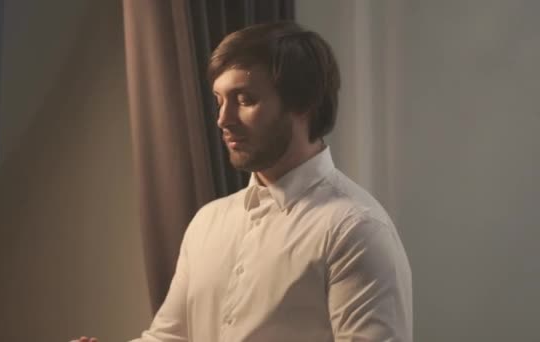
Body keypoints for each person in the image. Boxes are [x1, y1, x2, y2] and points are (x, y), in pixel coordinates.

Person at [74, 21, 412, 342]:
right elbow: (171, 337)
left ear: (304, 103)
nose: (223, 119)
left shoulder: (356, 230)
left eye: (245, 100)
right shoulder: (209, 221)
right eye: (219, 101)